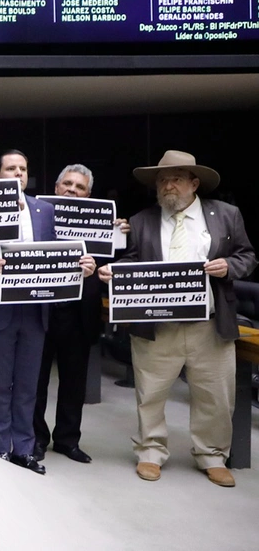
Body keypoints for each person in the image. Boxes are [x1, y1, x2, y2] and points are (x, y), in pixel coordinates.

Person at [98, 150, 256, 487]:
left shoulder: (226, 215)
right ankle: (151, 452)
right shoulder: (142, 220)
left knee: (215, 394)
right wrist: (116, 271)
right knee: (150, 392)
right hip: (157, 324)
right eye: (163, 180)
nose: (169, 185)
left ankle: (212, 455)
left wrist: (230, 267)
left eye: (177, 178)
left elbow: (247, 256)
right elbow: (134, 261)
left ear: (194, 183)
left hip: (209, 325)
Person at [0, 150, 95, 474]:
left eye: (22, 168)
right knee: (0, 384)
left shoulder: (44, 210)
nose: (17, 173)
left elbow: (59, 254)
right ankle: (2, 446)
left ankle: (24, 448)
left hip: (35, 311)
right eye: (10, 168)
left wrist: (83, 266)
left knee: (28, 385)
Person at [33, 164, 109, 464]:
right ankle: (36, 437)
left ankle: (67, 440)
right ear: (56, 187)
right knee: (35, 380)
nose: (72, 190)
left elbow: (108, 266)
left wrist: (117, 234)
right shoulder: (39, 214)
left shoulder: (101, 226)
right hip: (42, 309)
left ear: (88, 194)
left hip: (79, 312)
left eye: (79, 187)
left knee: (74, 382)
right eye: (67, 184)